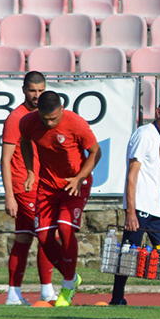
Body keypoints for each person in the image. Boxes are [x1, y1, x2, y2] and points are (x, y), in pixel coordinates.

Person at [20, 90, 102, 307]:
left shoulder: (76, 124)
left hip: (75, 184)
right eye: (45, 119)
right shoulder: (28, 122)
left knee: (65, 229)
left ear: (61, 110)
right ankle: (73, 277)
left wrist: (79, 177)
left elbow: (95, 152)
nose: (49, 123)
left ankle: (66, 287)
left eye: (54, 119)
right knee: (44, 237)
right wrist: (31, 172)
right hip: (47, 186)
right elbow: (25, 142)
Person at [110, 99, 160, 307]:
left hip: (156, 208)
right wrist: (131, 211)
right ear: (159, 112)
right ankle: (116, 298)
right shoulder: (144, 134)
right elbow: (132, 174)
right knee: (128, 251)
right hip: (140, 207)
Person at [0, 71, 56, 305]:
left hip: (40, 186)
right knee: (46, 234)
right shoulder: (17, 118)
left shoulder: (45, 116)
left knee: (24, 238)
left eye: (41, 90)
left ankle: (14, 294)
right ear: (24, 90)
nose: (37, 95)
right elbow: (5, 159)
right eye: (32, 91)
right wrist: (9, 196)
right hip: (24, 187)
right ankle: (46, 290)